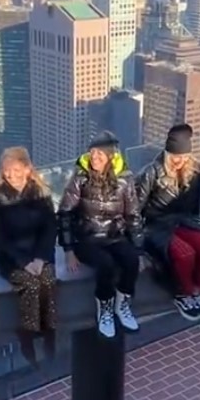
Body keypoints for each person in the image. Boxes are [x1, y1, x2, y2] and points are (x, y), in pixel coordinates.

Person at [58, 130, 143, 339]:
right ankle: (104, 309)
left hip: (115, 235)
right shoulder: (81, 177)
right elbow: (65, 213)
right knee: (105, 265)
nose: (94, 158)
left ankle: (122, 305)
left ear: (112, 157)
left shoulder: (125, 179)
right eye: (92, 153)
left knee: (131, 260)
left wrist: (138, 247)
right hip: (86, 237)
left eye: (100, 155)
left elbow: (133, 214)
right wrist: (68, 250)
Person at [136, 123, 200, 322]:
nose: (179, 161)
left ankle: (196, 291)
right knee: (184, 254)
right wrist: (137, 244)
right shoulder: (152, 173)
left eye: (183, 157)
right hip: (156, 226)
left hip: (184, 222)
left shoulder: (194, 171)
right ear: (167, 154)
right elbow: (135, 210)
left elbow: (195, 206)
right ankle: (182, 292)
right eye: (175, 157)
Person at [0, 147, 58, 365]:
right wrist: (24, 262)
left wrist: (39, 258)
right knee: (30, 283)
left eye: (17, 169)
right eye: (6, 170)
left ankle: (48, 331)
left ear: (28, 169)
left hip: (40, 252)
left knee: (47, 279)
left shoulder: (40, 191)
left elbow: (50, 227)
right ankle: (28, 333)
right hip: (11, 256)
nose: (11, 175)